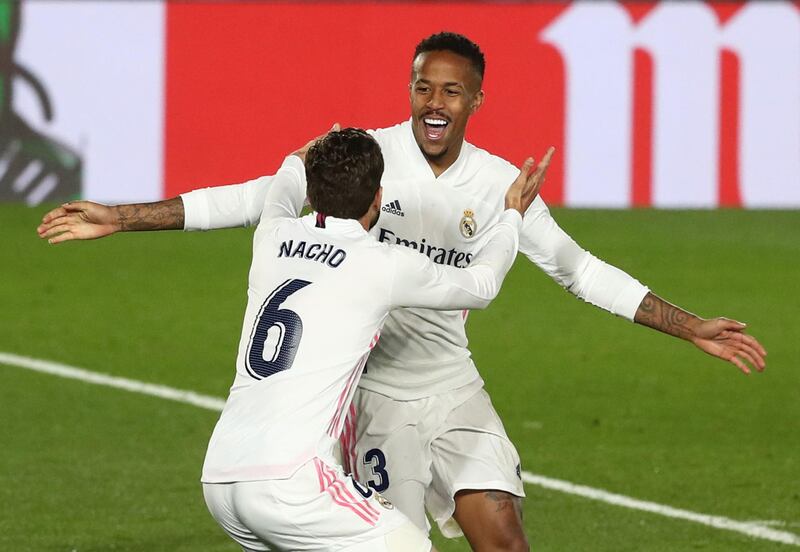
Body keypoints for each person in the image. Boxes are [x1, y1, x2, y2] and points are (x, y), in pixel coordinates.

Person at [37, 33, 766, 552]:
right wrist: (123, 216)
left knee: (504, 536)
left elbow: (578, 269)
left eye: (451, 89)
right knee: (398, 543)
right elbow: (256, 194)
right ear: (410, 91)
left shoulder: (495, 180)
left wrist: (689, 325)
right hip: (372, 403)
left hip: (453, 389)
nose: (434, 101)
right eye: (423, 86)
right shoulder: (364, 155)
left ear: (477, 98)